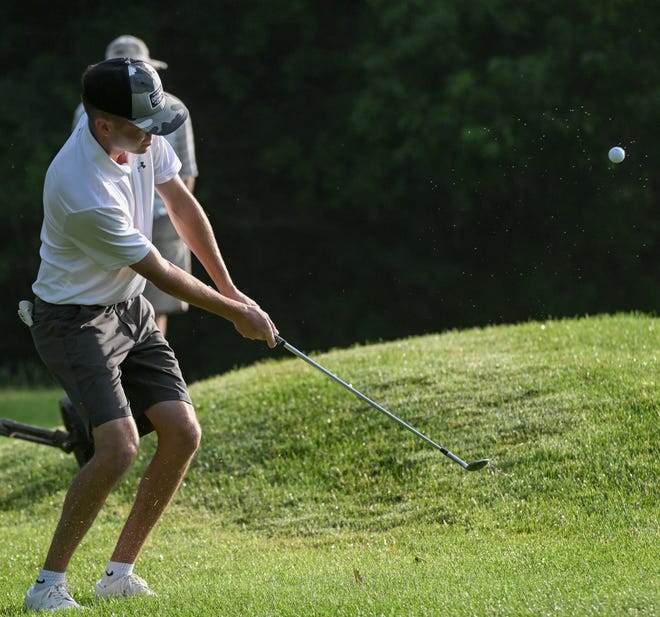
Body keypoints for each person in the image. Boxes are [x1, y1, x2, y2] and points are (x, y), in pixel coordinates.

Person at [23, 57, 278, 611]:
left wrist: (233, 293)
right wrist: (234, 315)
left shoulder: (140, 136)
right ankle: (46, 587)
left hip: (129, 309)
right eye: (141, 126)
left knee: (183, 432)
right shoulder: (80, 185)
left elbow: (181, 205)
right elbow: (160, 270)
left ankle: (118, 574)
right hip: (74, 319)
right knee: (118, 447)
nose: (154, 135)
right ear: (103, 124)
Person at [73, 35, 198, 335]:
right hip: (111, 217)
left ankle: (147, 372)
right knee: (114, 303)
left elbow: (186, 173)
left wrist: (173, 216)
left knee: (155, 308)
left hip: (162, 219)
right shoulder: (86, 115)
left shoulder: (173, 108)